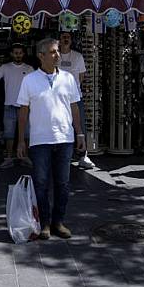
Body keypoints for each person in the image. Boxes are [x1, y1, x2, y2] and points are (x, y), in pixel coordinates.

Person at [16, 38, 86, 240]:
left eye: (57, 52)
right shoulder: (29, 80)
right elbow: (23, 110)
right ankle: (44, 223)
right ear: (41, 55)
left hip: (65, 138)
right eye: (53, 52)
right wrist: (21, 140)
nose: (57, 55)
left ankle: (58, 222)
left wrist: (79, 132)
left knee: (63, 183)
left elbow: (74, 106)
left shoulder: (68, 78)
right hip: (40, 140)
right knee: (41, 183)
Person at [0, 43, 34, 169]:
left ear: (23, 54)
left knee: (26, 134)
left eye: (20, 53)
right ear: (11, 54)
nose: (18, 55)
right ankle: (9, 158)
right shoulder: (5, 67)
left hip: (25, 106)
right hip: (9, 105)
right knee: (9, 134)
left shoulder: (30, 68)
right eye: (16, 53)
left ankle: (25, 157)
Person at [58, 31, 95, 170]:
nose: (66, 39)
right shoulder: (55, 56)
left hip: (75, 97)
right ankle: (63, 156)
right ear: (59, 40)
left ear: (71, 40)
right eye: (63, 37)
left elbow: (81, 77)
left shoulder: (78, 56)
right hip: (58, 99)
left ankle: (83, 155)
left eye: (68, 37)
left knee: (80, 127)